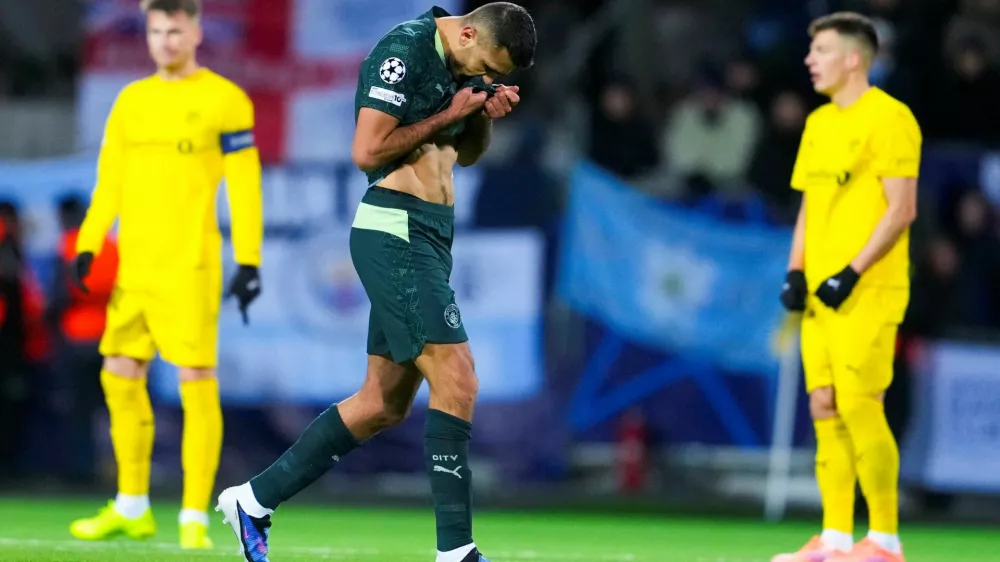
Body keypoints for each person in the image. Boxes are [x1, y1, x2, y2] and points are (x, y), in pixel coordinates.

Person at [215, 3, 536, 562]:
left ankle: (253, 500)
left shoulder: (462, 65)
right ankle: (456, 552)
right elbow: (366, 153)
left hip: (432, 235)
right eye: (486, 64)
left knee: (381, 403)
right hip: (394, 229)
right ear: (465, 33)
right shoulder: (405, 52)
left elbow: (465, 154)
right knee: (458, 377)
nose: (487, 76)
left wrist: (482, 110)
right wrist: (449, 111)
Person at [68, 0, 264, 550]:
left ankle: (194, 516)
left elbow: (244, 185)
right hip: (136, 268)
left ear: (196, 31)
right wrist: (89, 241)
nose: (165, 41)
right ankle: (131, 505)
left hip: (189, 267)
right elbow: (110, 180)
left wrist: (248, 259)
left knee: (195, 381)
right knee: (119, 370)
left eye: (175, 30)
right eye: (156, 31)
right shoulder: (132, 100)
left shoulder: (225, 100)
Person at [775, 12, 921, 562]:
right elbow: (811, 207)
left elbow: (902, 210)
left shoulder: (891, 118)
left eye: (822, 50)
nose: (810, 60)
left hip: (870, 287)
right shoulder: (819, 124)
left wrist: (853, 271)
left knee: (863, 404)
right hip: (821, 292)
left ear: (854, 58)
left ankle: (884, 539)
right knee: (824, 405)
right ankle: (835, 539)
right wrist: (797, 270)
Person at [48, 194, 119, 485]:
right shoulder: (112, 246)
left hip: (76, 338)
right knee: (113, 409)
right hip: (112, 338)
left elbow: (60, 294)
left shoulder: (69, 245)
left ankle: (80, 472)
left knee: (77, 409)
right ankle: (117, 472)